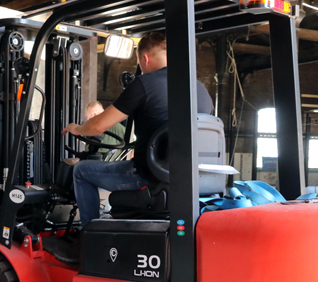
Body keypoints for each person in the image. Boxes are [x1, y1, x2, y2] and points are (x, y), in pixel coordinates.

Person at [62, 32, 214, 227]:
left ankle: (89, 233)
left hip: (148, 177)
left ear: (145, 58)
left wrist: (78, 128)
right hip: (193, 180)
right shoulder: (200, 88)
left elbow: (98, 125)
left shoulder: (144, 84)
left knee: (82, 170)